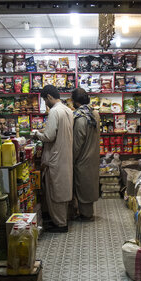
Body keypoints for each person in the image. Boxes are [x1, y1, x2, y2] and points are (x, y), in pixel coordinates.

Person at [32, 85, 73, 233]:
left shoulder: (55, 111)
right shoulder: (67, 110)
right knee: (63, 188)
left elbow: (49, 136)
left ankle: (60, 224)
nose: (45, 103)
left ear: (49, 97)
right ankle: (62, 219)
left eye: (44, 100)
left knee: (55, 190)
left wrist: (37, 133)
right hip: (65, 155)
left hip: (55, 156)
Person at [71, 88, 100, 221]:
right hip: (93, 155)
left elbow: (77, 144)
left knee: (83, 186)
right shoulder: (95, 113)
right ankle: (86, 212)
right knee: (90, 184)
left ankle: (86, 215)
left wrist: (71, 159)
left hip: (83, 158)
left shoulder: (80, 118)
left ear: (76, 102)